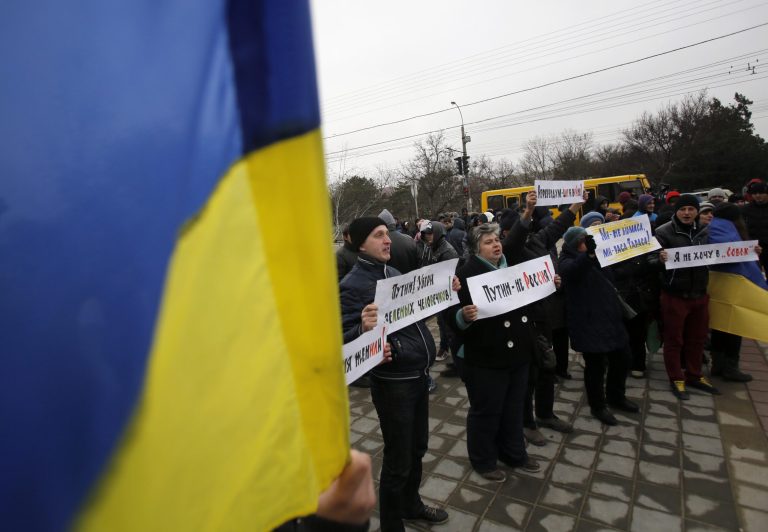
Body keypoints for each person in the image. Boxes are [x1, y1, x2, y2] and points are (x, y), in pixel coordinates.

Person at [339, 217, 448, 531]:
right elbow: (343, 338)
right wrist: (363, 329)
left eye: (387, 234)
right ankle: (391, 524)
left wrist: (443, 292)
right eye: (378, 235)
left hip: (418, 376)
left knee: (417, 449)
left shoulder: (394, 274)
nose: (387, 240)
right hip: (393, 385)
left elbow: (414, 316)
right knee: (398, 461)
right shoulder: (352, 285)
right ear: (360, 243)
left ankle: (410, 505)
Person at [453, 222, 542, 482]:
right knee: (487, 411)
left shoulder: (511, 266)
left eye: (497, 240)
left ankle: (514, 453)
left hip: (518, 352)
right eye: (488, 242)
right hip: (485, 357)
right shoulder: (465, 273)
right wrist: (462, 316)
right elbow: (450, 316)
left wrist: (549, 284)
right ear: (476, 249)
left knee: (514, 407)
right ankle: (483, 460)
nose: (496, 245)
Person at [559, 227, 638, 426]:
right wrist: (590, 255)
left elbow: (616, 273)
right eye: (585, 240)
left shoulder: (599, 257)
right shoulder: (566, 261)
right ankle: (598, 405)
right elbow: (574, 270)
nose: (589, 243)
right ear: (577, 243)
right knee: (595, 367)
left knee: (622, 358)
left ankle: (616, 396)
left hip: (610, 317)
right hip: (588, 322)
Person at [655, 194, 720, 400]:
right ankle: (676, 378)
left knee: (697, 337)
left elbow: (723, 253)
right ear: (676, 211)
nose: (686, 213)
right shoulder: (662, 232)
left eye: (691, 209)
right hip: (675, 295)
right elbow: (647, 260)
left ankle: (694, 374)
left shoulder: (705, 230)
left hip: (699, 294)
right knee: (674, 339)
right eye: (683, 209)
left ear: (696, 212)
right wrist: (659, 259)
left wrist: (751, 252)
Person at [709, 202, 765, 382]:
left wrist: (751, 250)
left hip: (718, 287)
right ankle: (730, 368)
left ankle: (718, 365)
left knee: (719, 327)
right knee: (734, 327)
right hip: (735, 287)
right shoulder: (728, 232)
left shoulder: (713, 229)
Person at [741, 180, 768, 276]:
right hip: (753, 248)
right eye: (755, 193)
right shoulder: (746, 209)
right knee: (755, 275)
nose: (757, 195)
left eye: (761, 193)